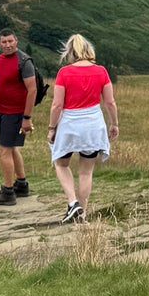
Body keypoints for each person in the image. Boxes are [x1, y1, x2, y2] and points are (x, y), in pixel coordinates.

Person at [47, 34, 116, 223]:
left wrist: (52, 128)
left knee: (61, 164)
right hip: (93, 124)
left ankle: (72, 202)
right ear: (88, 49)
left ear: (70, 52)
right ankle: (82, 213)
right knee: (86, 171)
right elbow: (109, 102)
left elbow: (57, 105)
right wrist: (114, 123)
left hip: (70, 123)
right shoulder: (101, 71)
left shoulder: (64, 73)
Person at [0, 28, 38, 206]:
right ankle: (21, 185)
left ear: (16, 41)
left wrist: (27, 117)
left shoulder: (23, 61)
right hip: (2, 110)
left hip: (15, 113)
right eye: (4, 42)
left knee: (3, 150)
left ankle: (7, 192)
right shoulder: (1, 59)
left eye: (10, 41)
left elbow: (32, 89)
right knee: (12, 148)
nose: (7, 45)